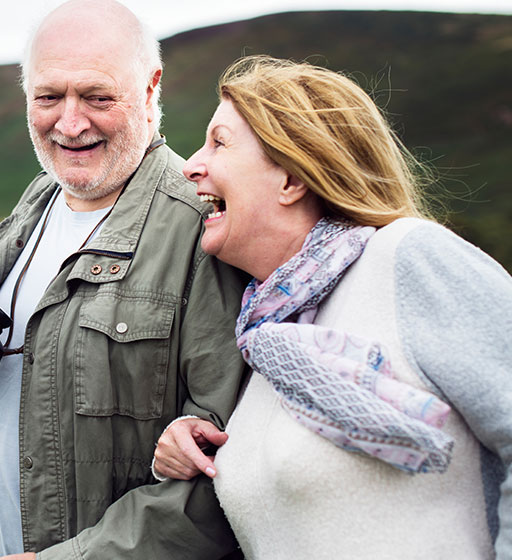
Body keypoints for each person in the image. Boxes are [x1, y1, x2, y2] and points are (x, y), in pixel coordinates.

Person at [0, 1, 249, 558]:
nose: (70, 123)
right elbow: (45, 396)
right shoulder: (36, 202)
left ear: (151, 89)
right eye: (48, 97)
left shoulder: (202, 231)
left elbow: (223, 475)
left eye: (97, 97)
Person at [152, 55, 512, 559]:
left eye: (220, 143)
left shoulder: (408, 257)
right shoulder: (264, 334)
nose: (191, 165)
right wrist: (188, 444)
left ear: (291, 179)